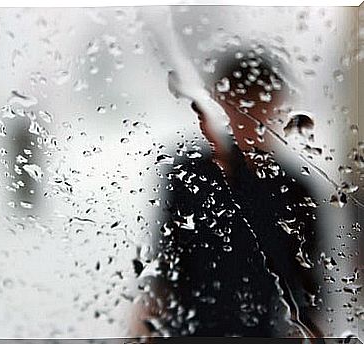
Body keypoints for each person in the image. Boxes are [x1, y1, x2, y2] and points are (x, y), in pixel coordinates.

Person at [130, 48, 322, 338]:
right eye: (237, 103)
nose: (248, 116)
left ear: (276, 107)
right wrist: (141, 328)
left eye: (259, 103)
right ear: (219, 105)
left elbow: (308, 292)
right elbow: (163, 271)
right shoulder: (188, 176)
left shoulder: (295, 191)